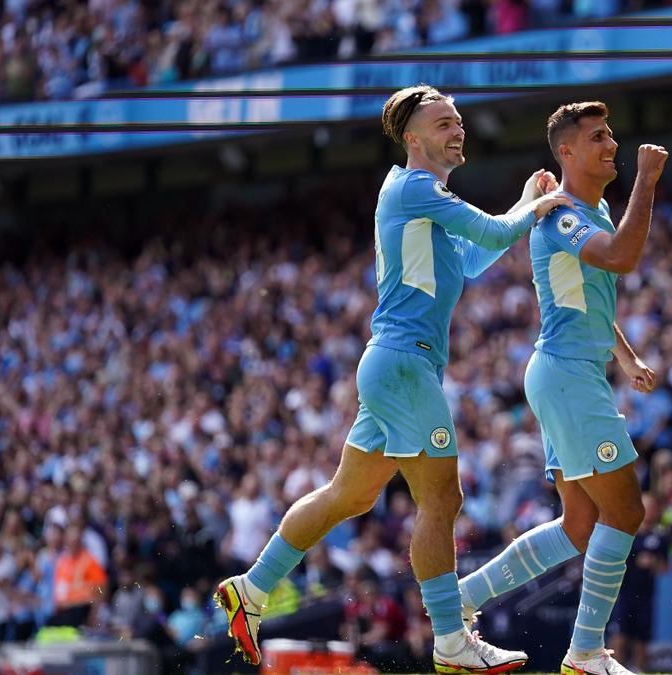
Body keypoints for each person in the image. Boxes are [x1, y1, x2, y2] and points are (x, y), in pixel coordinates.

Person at [214, 84, 571, 671]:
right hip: (404, 365)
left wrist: (525, 205)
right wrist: (533, 206)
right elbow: (491, 233)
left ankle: (251, 589)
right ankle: (451, 640)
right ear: (412, 138)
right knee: (441, 499)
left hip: (394, 365)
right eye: (442, 124)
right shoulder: (417, 186)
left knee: (349, 496)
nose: (456, 130)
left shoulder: (422, 201)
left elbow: (476, 257)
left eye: (458, 121)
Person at [455, 100, 668, 675]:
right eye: (598, 136)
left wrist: (624, 357)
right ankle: (585, 653)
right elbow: (622, 258)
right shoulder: (563, 214)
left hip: (568, 372)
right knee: (624, 512)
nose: (613, 144)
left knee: (579, 525)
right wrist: (646, 181)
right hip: (567, 376)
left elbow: (592, 299)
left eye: (612, 133)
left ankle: (462, 599)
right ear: (567, 152)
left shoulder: (590, 214)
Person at [609, 494, 670, 672]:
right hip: (623, 592)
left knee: (642, 638)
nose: (650, 511)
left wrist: (653, 562)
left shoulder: (660, 537)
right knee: (619, 635)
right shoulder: (625, 533)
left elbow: (665, 567)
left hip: (645, 595)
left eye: (653, 507)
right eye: (646, 506)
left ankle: (639, 670)